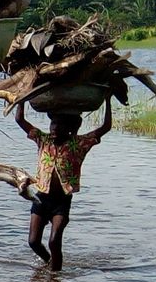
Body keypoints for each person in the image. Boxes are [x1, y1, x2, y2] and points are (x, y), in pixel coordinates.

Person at [16, 96, 113, 271]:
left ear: (69, 129)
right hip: (41, 198)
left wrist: (107, 100)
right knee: (33, 242)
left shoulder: (78, 145)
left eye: (59, 126)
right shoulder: (43, 140)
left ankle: (55, 281)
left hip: (61, 201)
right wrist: (22, 99)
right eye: (52, 125)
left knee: (54, 241)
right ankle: (48, 264)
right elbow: (19, 120)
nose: (54, 129)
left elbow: (105, 127)